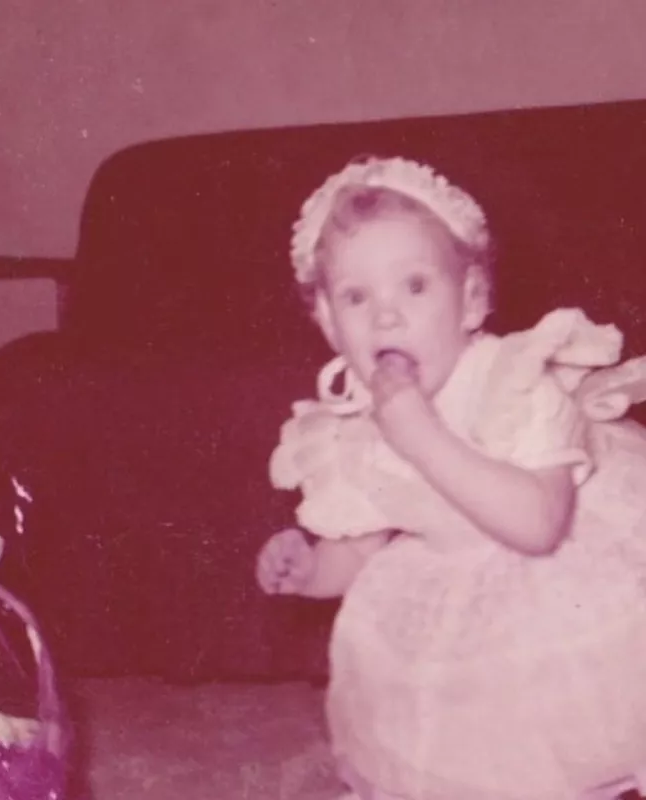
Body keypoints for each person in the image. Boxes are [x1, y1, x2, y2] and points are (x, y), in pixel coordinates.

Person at [256, 155, 646, 800]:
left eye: (414, 286)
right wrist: (311, 569)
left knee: (595, 719)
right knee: (476, 756)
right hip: (455, 603)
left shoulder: (512, 384)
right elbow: (358, 546)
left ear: (471, 299)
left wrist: (422, 436)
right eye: (357, 296)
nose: (386, 316)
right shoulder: (354, 423)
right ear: (328, 321)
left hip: (569, 572)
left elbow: (539, 524)